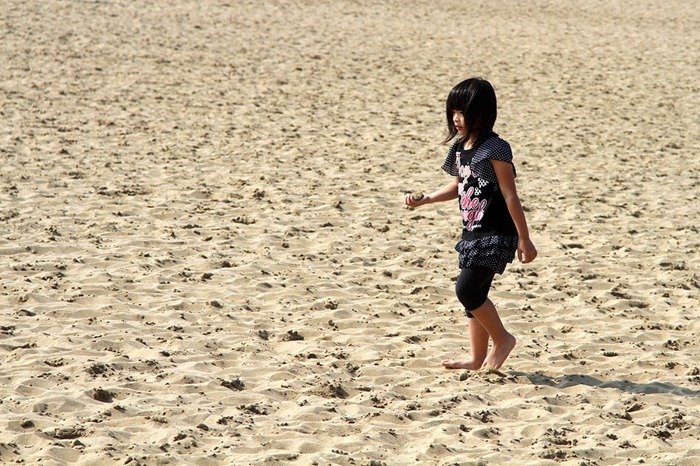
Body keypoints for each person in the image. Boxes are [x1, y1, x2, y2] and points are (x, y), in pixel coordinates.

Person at [404, 77, 537, 370]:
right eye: (453, 112)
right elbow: (458, 187)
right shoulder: (460, 147)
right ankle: (477, 358)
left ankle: (502, 339)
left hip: (495, 233)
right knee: (474, 297)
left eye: (462, 112)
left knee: (467, 291)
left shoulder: (496, 148)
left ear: (483, 113)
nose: (456, 118)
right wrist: (426, 199)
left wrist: (523, 237)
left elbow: (509, 193)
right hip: (471, 232)